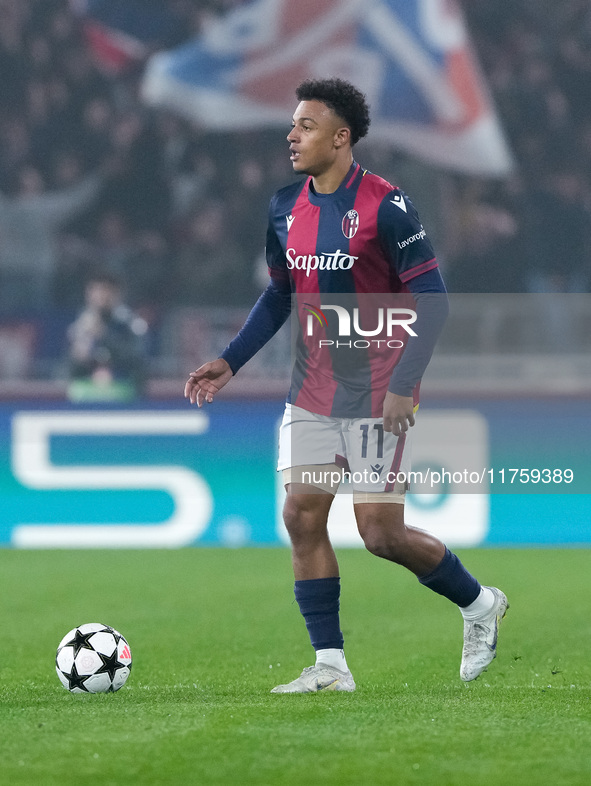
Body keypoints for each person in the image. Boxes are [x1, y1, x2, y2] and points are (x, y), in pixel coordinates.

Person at [185, 79, 508, 692]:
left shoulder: (388, 206)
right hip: (309, 391)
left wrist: (405, 385)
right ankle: (330, 665)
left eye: (306, 125)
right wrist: (230, 361)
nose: (292, 134)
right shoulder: (284, 206)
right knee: (302, 517)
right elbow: (280, 293)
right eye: (293, 123)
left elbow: (432, 301)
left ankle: (479, 604)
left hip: (377, 389)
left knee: (380, 534)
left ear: (341, 137)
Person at [67, 272, 148, 402]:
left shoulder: (130, 324)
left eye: (105, 291)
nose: (100, 296)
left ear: (116, 294)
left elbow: (137, 360)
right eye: (95, 291)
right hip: (86, 392)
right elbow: (69, 369)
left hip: (123, 389)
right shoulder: (80, 325)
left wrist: (104, 335)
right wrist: (80, 354)